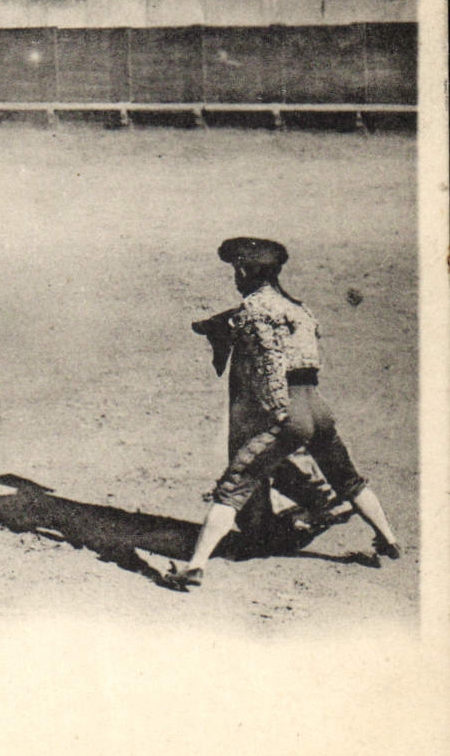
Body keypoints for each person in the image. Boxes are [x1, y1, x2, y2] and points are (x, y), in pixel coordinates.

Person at [167, 237, 404, 590]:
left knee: (234, 486)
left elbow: (268, 369)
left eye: (237, 270)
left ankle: (195, 566)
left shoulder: (253, 311)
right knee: (348, 479)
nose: (235, 277)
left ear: (246, 270)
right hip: (318, 407)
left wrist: (277, 419)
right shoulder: (301, 310)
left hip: (289, 409)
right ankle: (388, 539)